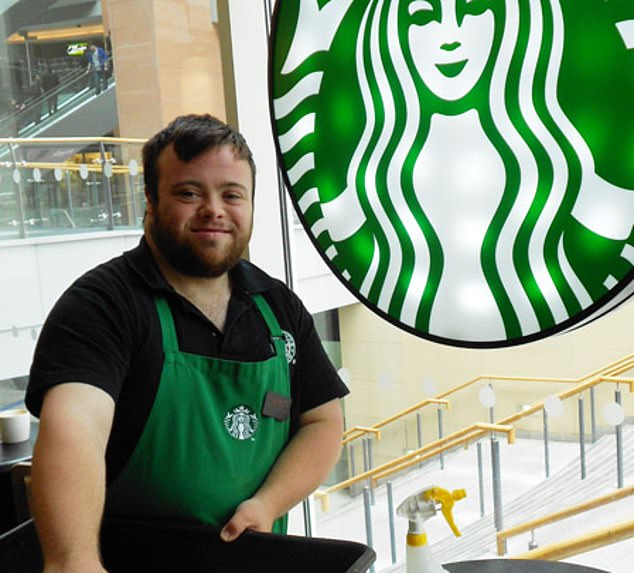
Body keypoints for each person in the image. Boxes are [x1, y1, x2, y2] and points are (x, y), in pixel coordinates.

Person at [26, 114, 348, 573]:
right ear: (151, 202)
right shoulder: (101, 305)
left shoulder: (278, 308)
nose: (213, 209)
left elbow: (322, 421)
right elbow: (74, 425)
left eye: (231, 194)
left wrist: (266, 504)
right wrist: (72, 561)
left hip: (253, 560)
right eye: (189, 193)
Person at [271, 0, 634, 346]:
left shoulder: (560, 153)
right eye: (423, 17)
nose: (450, 36)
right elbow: (341, 223)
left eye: (474, 10)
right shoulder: (371, 166)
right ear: (389, 34)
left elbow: (611, 226)